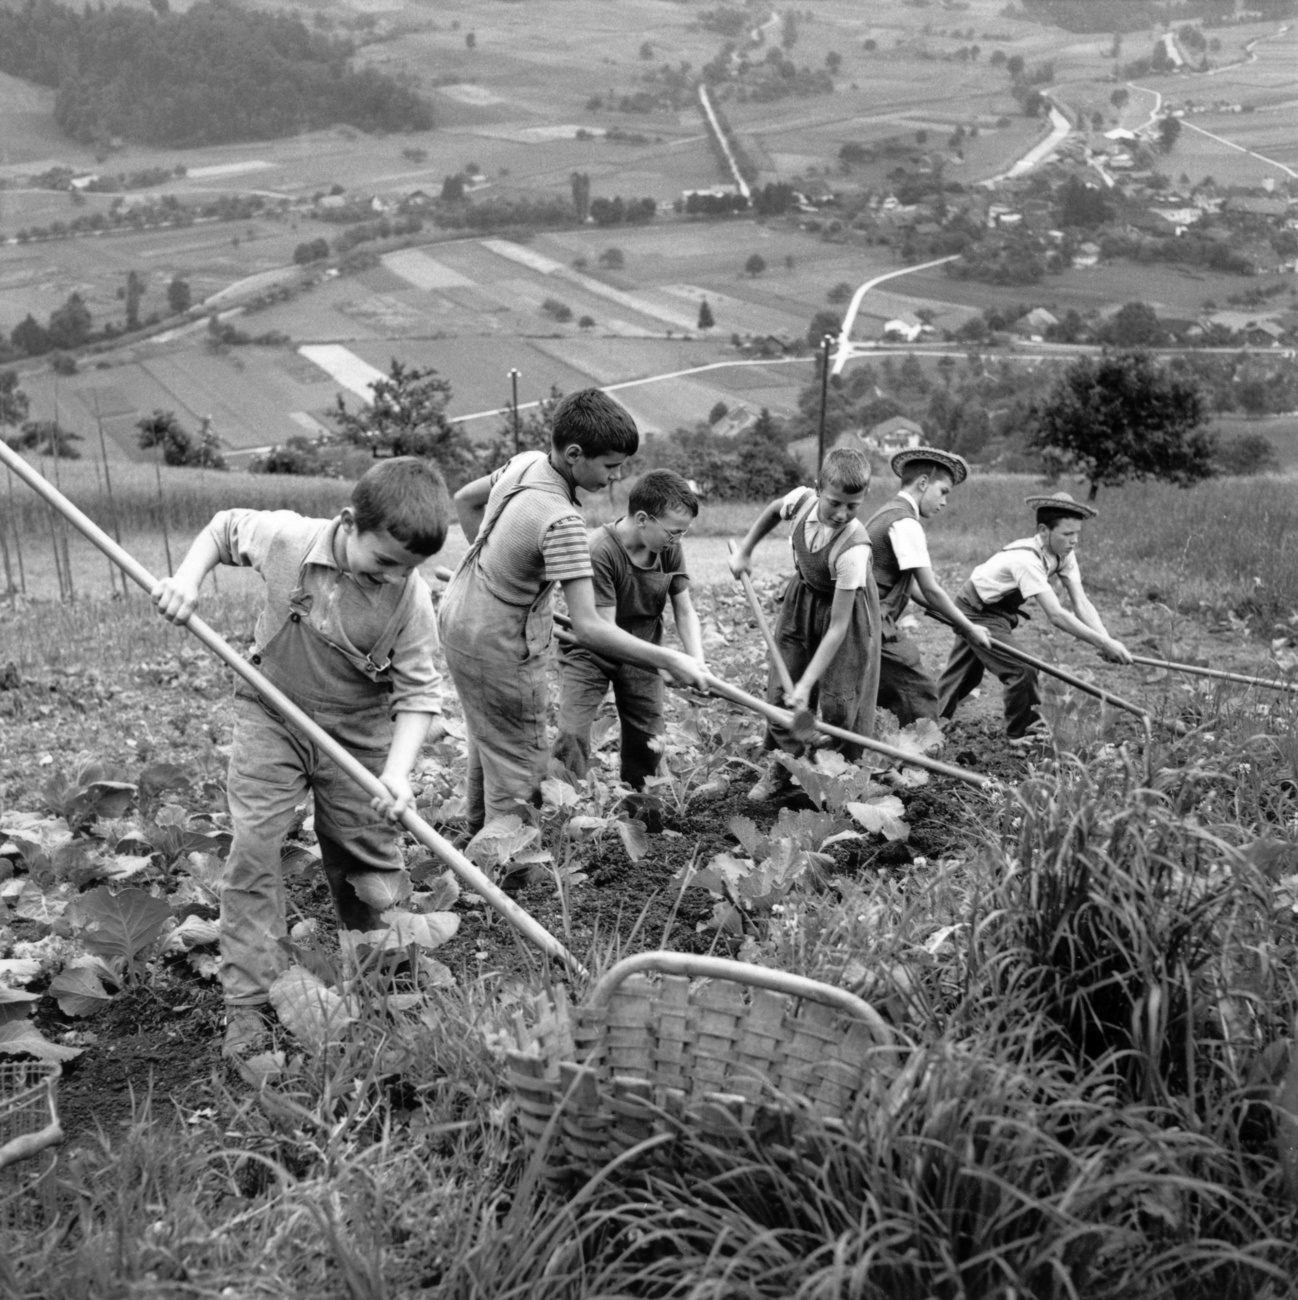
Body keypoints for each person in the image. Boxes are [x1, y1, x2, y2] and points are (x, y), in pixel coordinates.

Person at [152, 457, 451, 1056]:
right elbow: (223, 528)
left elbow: (419, 694)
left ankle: (386, 986)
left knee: (365, 856)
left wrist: (396, 774)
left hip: (358, 734)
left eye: (409, 567)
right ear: (348, 523)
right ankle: (249, 1003)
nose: (395, 576)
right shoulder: (288, 539)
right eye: (385, 561)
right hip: (272, 714)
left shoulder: (409, 598)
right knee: (254, 851)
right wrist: (186, 579)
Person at [440, 389, 706, 836]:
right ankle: (505, 864)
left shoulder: (525, 462)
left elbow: (465, 499)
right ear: (575, 454)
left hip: (460, 615)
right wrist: (670, 658)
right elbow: (589, 627)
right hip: (499, 639)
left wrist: (496, 568)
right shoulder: (563, 521)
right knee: (520, 762)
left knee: (489, 739)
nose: (617, 476)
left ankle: (474, 837)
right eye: (609, 465)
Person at [729, 446, 880, 803]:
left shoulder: (854, 550)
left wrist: (809, 682)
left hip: (845, 611)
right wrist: (746, 550)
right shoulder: (800, 502)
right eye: (834, 503)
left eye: (853, 506)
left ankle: (838, 775)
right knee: (783, 689)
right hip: (802, 598)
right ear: (817, 489)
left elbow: (838, 627)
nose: (842, 513)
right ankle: (784, 766)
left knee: (840, 700)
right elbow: (772, 511)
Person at [551, 469, 706, 799]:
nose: (678, 539)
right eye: (674, 531)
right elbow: (604, 631)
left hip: (645, 650)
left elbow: (684, 609)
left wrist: (697, 662)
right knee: (572, 734)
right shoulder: (600, 550)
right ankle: (565, 809)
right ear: (642, 519)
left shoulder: (668, 546)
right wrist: (668, 660)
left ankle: (644, 814)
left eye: (683, 532)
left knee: (647, 742)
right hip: (590, 649)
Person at [937, 491, 1133, 742]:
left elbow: (1081, 602)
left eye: (1077, 534)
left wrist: (1107, 641)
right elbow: (1056, 615)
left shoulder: (1064, 554)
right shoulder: (1026, 559)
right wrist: (1103, 643)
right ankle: (1022, 734)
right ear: (1043, 530)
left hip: (999, 612)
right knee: (1022, 668)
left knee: (963, 675)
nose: (1074, 541)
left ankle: (929, 722)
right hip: (975, 611)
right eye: (1067, 534)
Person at [863, 447, 993, 726]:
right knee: (918, 691)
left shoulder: (887, 513)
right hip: (870, 623)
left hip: (862, 619)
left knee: (883, 693)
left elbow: (908, 587)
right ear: (923, 483)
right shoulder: (905, 523)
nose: (944, 502)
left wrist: (954, 618)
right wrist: (969, 627)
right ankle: (924, 747)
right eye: (943, 491)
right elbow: (931, 589)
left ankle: (886, 741)